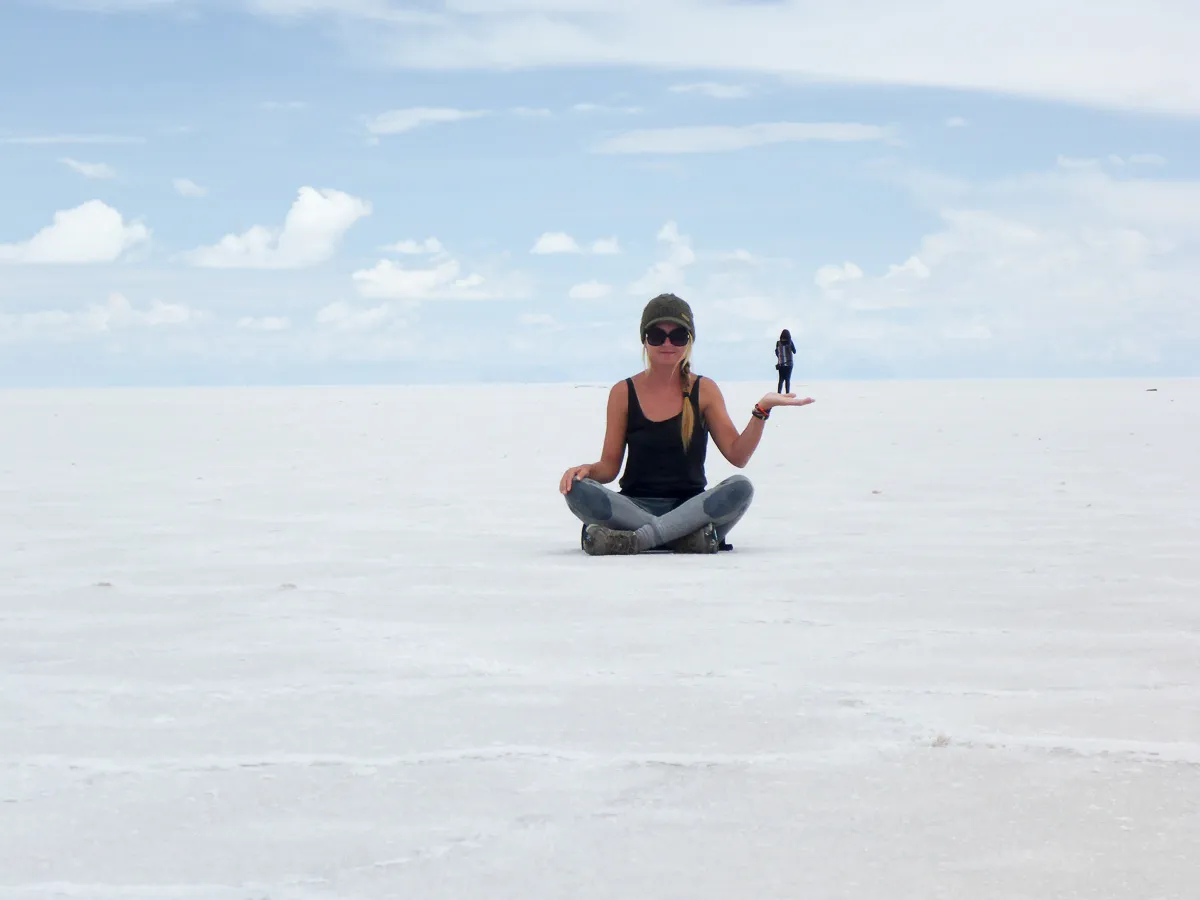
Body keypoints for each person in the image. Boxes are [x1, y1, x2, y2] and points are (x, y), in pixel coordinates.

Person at [559, 293, 815, 555]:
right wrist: (586, 471)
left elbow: (737, 456)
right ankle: (682, 539)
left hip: (692, 510)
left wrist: (762, 410)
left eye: (678, 335)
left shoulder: (704, 390)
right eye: (657, 335)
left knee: (741, 487)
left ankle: (636, 539)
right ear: (644, 341)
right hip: (634, 508)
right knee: (577, 490)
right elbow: (609, 468)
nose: (667, 343)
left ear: (689, 340)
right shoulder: (623, 392)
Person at [775, 328, 796, 393]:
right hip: (789, 364)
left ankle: (778, 394)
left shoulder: (778, 343)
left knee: (781, 380)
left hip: (781, 364)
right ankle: (787, 394)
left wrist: (780, 358)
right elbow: (794, 351)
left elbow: (777, 352)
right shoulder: (790, 342)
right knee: (787, 380)